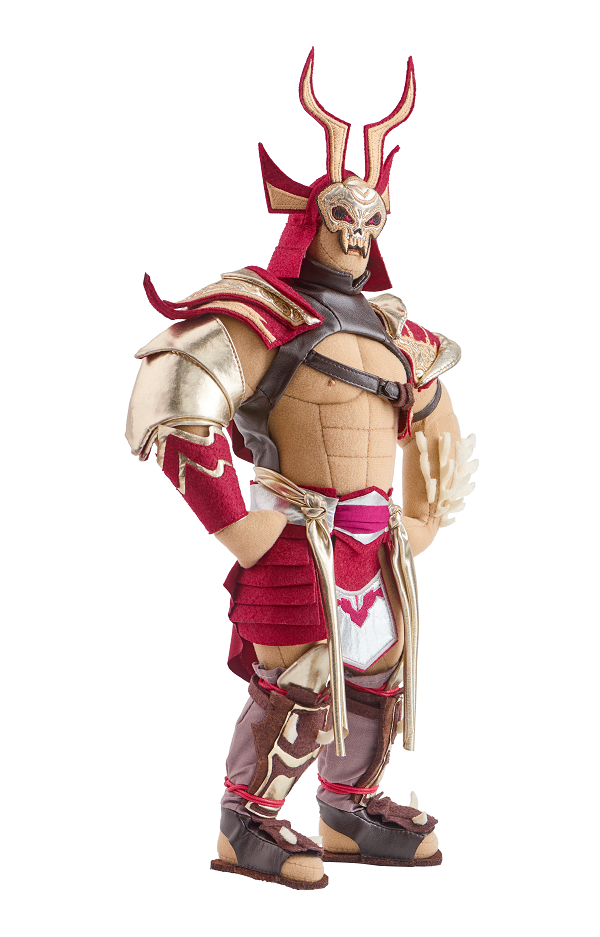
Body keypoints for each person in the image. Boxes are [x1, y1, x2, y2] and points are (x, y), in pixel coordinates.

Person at [126, 50, 477, 890]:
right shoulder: (262, 313)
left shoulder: (397, 333)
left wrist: (424, 516)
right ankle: (245, 819)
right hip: (296, 538)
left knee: (377, 678)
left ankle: (349, 808)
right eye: (342, 215)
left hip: (377, 545)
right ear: (307, 216)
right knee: (301, 682)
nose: (356, 233)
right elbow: (174, 396)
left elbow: (437, 425)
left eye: (370, 219)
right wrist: (236, 525)